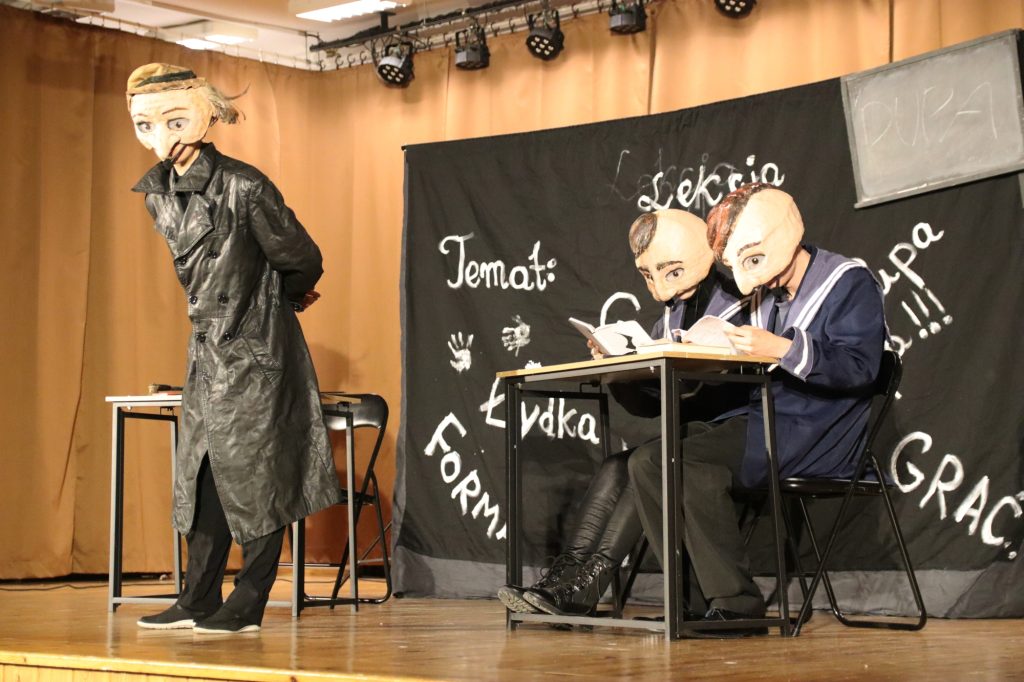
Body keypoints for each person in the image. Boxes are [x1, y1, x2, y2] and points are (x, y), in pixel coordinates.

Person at [126, 63, 342, 634]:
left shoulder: (244, 186)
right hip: (206, 351)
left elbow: (302, 258)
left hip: (255, 347)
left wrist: (276, 302)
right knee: (202, 476)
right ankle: (197, 597)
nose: (160, 137)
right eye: (145, 124)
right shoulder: (158, 194)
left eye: (173, 121)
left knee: (258, 473)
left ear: (203, 116)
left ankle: (248, 601)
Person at [627, 182, 887, 635]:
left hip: (818, 430)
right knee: (648, 461)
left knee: (691, 464)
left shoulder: (847, 282)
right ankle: (691, 603)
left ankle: (736, 604)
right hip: (764, 417)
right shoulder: (765, 293)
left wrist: (783, 348)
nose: (749, 282)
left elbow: (861, 368)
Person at [498, 208, 742, 618]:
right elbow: (653, 403)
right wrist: (617, 369)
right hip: (692, 430)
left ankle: (587, 586)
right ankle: (566, 577)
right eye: (648, 276)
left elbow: (708, 387)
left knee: (647, 463)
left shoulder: (735, 303)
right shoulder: (674, 312)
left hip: (732, 430)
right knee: (616, 465)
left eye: (671, 272)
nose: (661, 290)